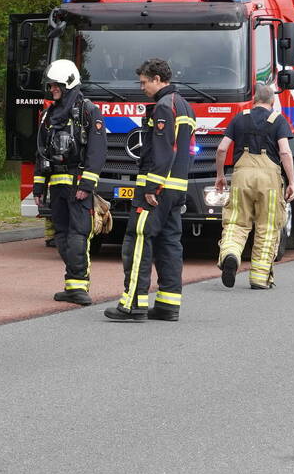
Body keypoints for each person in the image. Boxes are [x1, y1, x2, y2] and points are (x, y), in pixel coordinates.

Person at [105, 58, 195, 322]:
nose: (142, 87)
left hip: (157, 188)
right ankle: (168, 304)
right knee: (169, 243)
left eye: (144, 82)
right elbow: (187, 151)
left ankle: (132, 304)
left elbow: (163, 150)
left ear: (157, 79)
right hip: (177, 187)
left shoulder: (164, 107)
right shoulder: (185, 106)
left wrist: (152, 186)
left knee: (138, 240)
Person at [33, 59, 107, 306]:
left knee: (78, 233)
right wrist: (38, 186)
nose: (52, 89)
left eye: (56, 85)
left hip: (77, 183)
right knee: (61, 234)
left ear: (68, 84)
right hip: (57, 184)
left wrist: (86, 185)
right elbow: (41, 152)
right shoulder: (49, 115)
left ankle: (79, 286)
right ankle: (73, 283)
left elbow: (97, 151)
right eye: (51, 85)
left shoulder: (88, 111)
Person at [214, 82, 294, 289]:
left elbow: (222, 149)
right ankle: (259, 278)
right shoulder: (278, 121)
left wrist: (220, 175)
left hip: (241, 176)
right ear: (272, 101)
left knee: (236, 223)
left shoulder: (240, 118)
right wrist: (292, 182)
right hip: (268, 180)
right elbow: (285, 152)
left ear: (254, 99)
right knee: (267, 227)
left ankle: (230, 254)